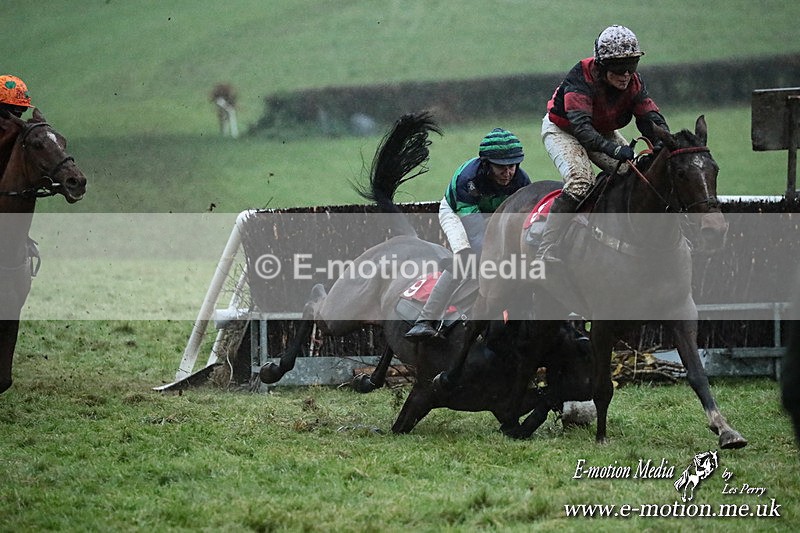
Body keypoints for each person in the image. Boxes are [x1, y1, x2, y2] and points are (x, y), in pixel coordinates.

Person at [536, 25, 670, 264]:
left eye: (631, 66)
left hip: (600, 129)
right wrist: (615, 150)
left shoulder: (634, 82)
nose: (626, 74)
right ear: (602, 66)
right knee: (580, 182)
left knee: (634, 173)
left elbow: (649, 118)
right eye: (619, 68)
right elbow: (583, 131)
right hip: (564, 130)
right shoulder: (581, 78)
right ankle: (546, 247)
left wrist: (666, 142)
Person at [406, 128, 531, 339]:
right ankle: (425, 320)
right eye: (500, 167)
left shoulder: (522, 181)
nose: (508, 173)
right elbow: (475, 232)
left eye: (512, 166)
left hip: (494, 216)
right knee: (465, 258)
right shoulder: (469, 179)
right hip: (457, 213)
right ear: (486, 164)